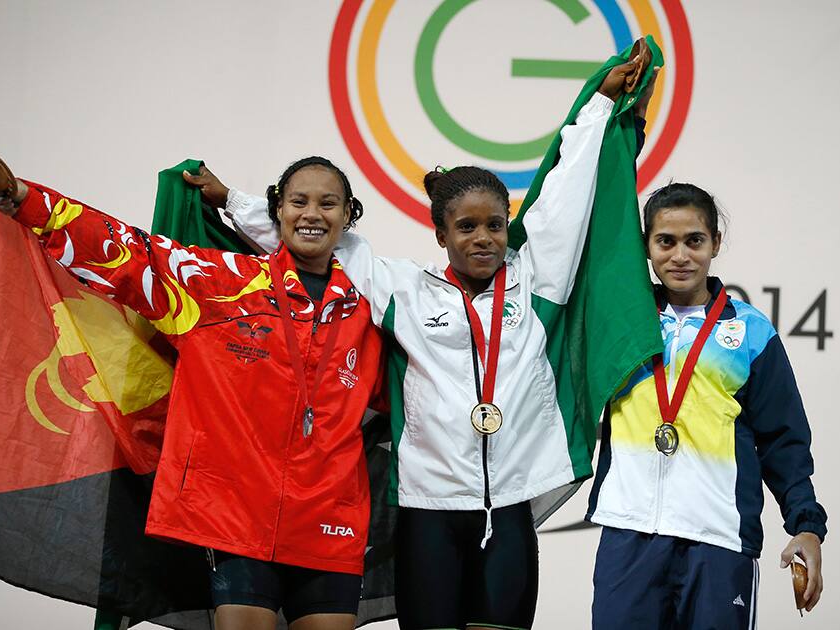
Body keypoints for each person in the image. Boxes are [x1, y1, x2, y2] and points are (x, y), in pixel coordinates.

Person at [187, 52, 659, 630]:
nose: (483, 238)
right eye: (466, 226)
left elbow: (568, 190)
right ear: (440, 233)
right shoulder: (404, 291)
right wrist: (232, 202)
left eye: (494, 225)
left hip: (508, 510)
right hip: (427, 510)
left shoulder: (538, 280)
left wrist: (600, 104)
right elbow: (318, 240)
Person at [0, 151, 384, 630]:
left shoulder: (373, 308)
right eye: (299, 201)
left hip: (330, 515)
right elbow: (128, 253)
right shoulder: (219, 284)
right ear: (278, 211)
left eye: (328, 204)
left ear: (348, 217)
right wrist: (24, 199)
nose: (312, 214)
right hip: (237, 515)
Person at [585, 182, 827, 629]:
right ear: (646, 247)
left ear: (715, 242)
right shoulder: (622, 322)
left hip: (718, 539)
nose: (680, 255)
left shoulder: (751, 332)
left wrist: (806, 524)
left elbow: (783, 441)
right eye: (666, 241)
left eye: (694, 240)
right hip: (629, 532)